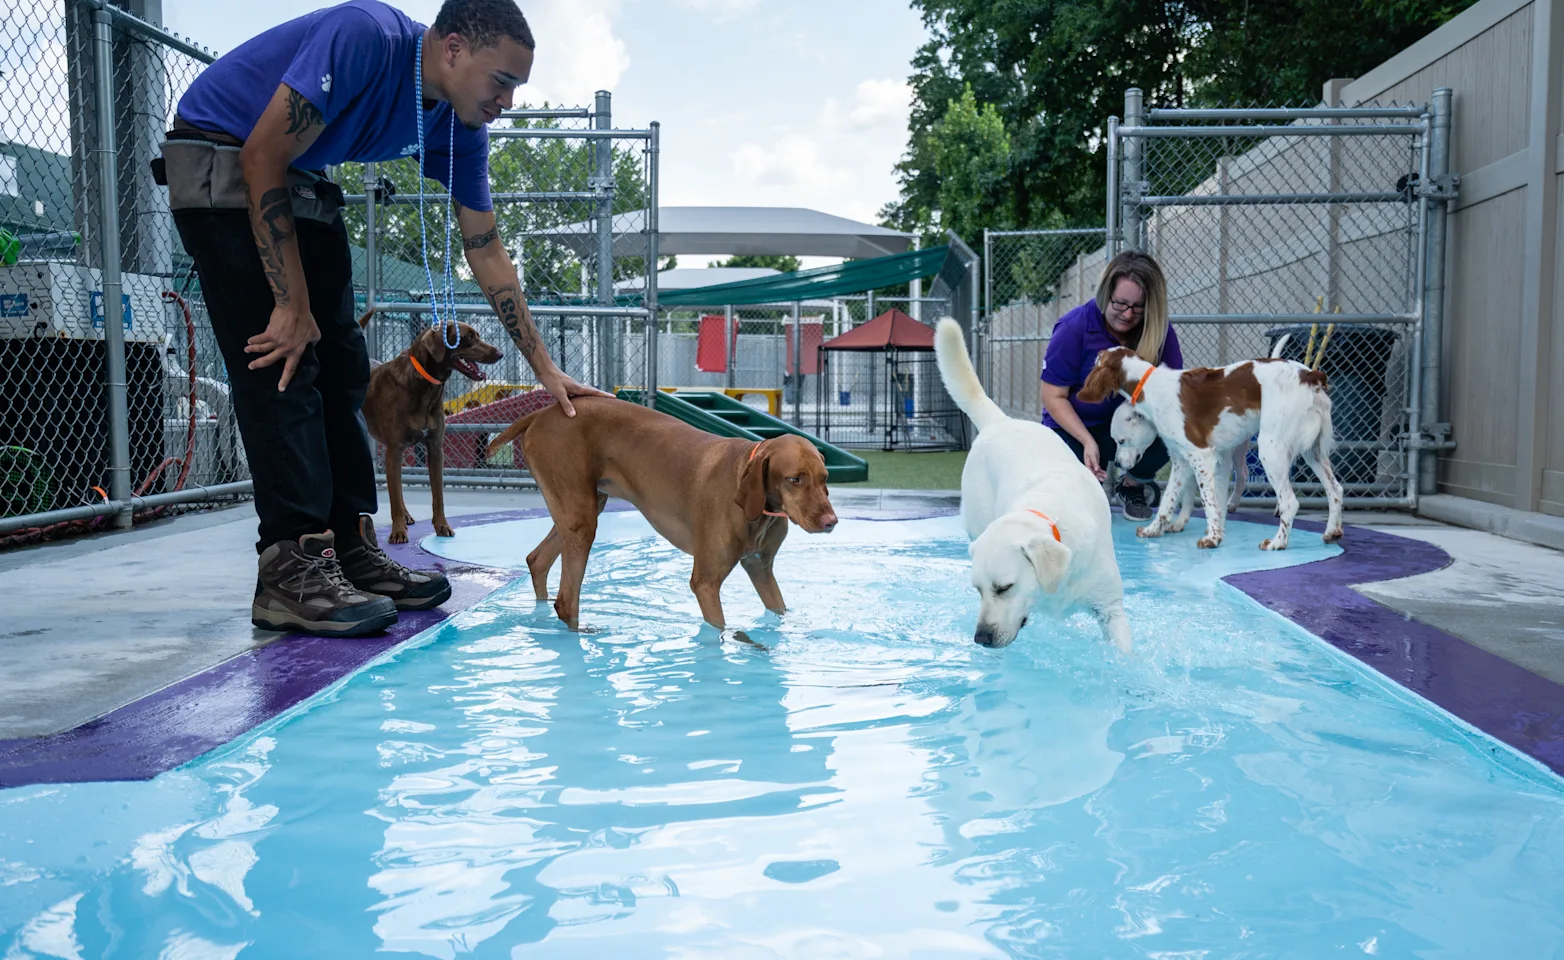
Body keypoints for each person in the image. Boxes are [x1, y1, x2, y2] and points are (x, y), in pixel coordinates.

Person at [163, 0, 607, 637]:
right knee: (285, 362)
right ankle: (290, 567)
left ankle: (347, 547)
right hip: (223, 155)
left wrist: (546, 370)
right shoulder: (365, 37)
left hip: (298, 173)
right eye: (502, 81)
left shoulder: (460, 125)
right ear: (452, 48)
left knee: (344, 366)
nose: (507, 100)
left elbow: (487, 251)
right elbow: (260, 154)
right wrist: (290, 306)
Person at [1039, 250, 1183, 521]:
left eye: (1138, 307)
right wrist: (1086, 441)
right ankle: (1085, 483)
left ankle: (1133, 484)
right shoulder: (1074, 327)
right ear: (1106, 294)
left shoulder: (1159, 330)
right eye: (1120, 304)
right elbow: (1053, 396)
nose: (1128, 314)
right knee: (1071, 503)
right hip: (1076, 431)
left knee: (1175, 430)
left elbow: (1173, 392)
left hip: (1133, 430)